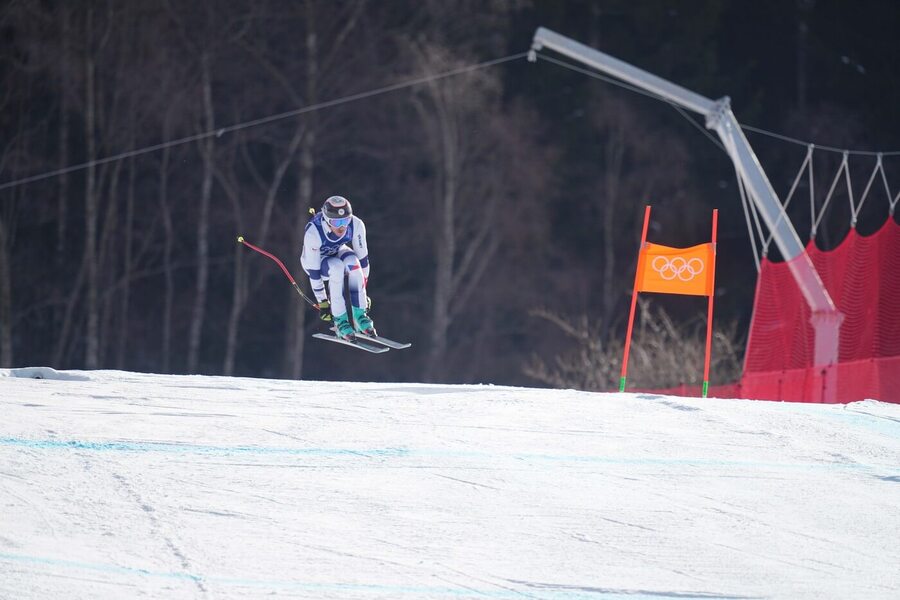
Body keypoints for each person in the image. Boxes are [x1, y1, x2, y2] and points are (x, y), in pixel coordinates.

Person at [300, 195, 376, 339]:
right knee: (336, 268)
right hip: (317, 262)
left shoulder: (356, 225)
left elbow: (363, 261)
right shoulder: (313, 232)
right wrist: (322, 301)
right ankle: (341, 321)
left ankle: (360, 317)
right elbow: (314, 272)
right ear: (327, 220)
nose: (342, 227)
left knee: (353, 263)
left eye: (345, 221)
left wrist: (363, 292)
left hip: (337, 250)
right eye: (336, 222)